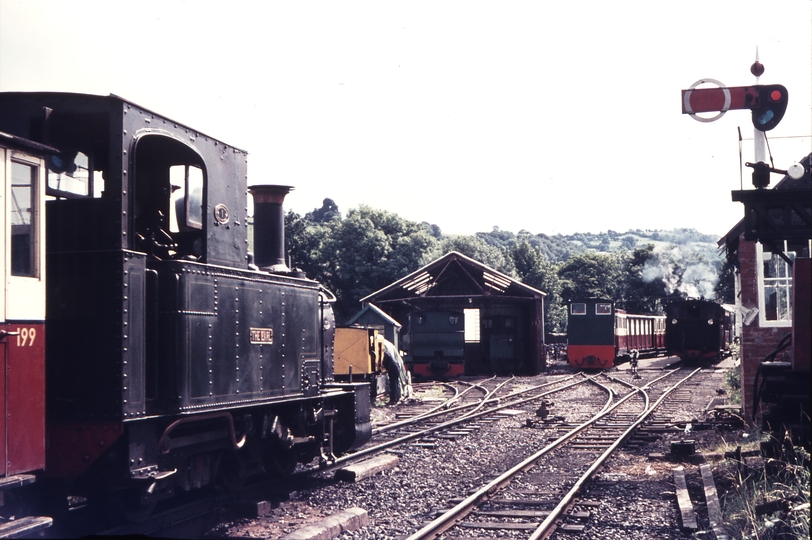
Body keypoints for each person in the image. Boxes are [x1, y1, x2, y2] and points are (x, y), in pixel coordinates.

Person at [380, 337, 408, 405]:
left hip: (393, 368)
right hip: (395, 367)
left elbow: (382, 364)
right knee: (395, 383)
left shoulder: (384, 354)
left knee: (393, 384)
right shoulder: (387, 353)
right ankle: (396, 398)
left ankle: (393, 400)